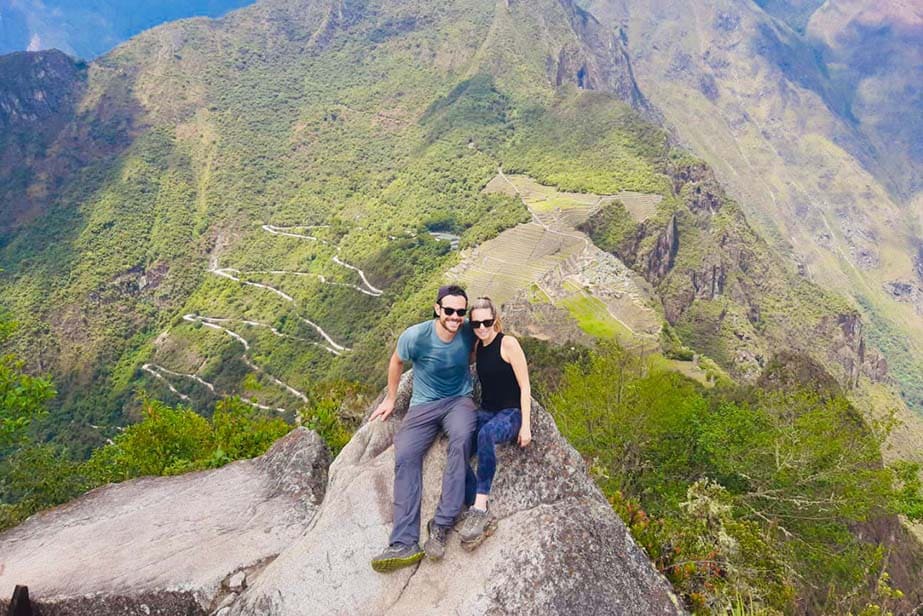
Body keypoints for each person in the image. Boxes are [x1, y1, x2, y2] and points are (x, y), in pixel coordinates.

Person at [369, 285, 477, 572]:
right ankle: (404, 542)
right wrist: (391, 399)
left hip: (459, 401)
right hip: (423, 405)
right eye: (450, 310)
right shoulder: (416, 336)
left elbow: (488, 345)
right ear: (437, 308)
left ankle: (442, 524)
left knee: (463, 439)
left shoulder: (467, 331)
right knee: (405, 455)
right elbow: (396, 360)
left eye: (460, 312)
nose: (455, 317)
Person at [458, 296, 532, 550]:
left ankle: (479, 507)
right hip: (487, 410)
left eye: (486, 322)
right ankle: (473, 504)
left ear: (495, 320)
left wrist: (526, 426)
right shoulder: (478, 347)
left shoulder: (508, 344)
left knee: (486, 435)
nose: (481, 327)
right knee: (459, 443)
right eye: (476, 323)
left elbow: (525, 386)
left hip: (510, 413)